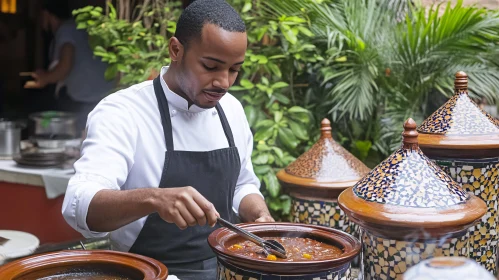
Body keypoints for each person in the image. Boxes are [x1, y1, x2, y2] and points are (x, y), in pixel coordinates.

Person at [61, 0, 274, 279]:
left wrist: (259, 215)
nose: (224, 82)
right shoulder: (123, 112)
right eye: (211, 66)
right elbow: (79, 204)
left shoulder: (231, 110)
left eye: (234, 69)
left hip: (224, 270)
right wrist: (154, 198)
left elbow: (242, 184)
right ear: (176, 50)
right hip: (144, 271)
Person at [25, 0, 115, 136]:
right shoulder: (76, 28)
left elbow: (65, 66)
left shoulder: (65, 30)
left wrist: (44, 79)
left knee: (84, 139)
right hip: (102, 93)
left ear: (46, 14)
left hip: (87, 98)